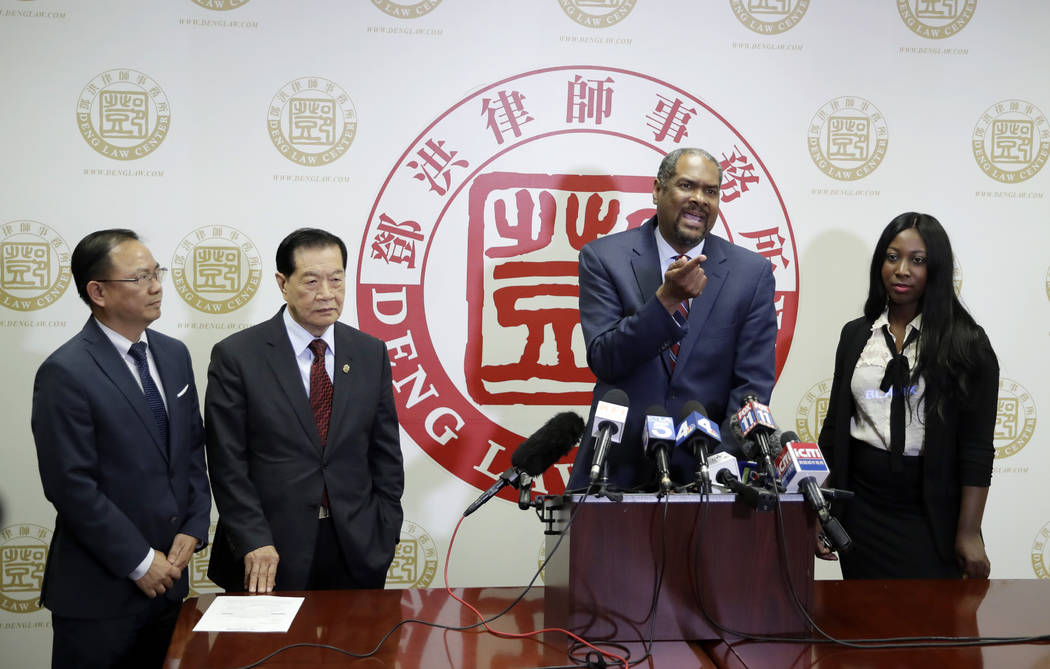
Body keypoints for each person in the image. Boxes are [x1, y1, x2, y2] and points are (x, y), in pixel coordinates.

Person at [32, 229, 210, 668]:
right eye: (140, 277)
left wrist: (194, 525)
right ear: (98, 292)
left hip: (172, 583)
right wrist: (138, 560)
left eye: (157, 273)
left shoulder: (173, 354)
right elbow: (70, 485)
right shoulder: (65, 371)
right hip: (101, 595)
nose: (156, 286)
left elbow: (191, 452)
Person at [567, 148, 778, 491]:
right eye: (686, 186)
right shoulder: (604, 258)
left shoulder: (750, 274)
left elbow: (751, 387)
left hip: (705, 469)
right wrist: (666, 300)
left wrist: (718, 463)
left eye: (710, 191)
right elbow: (606, 359)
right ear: (657, 189)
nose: (699, 199)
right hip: (615, 470)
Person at [205, 228, 404, 593]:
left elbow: (386, 452)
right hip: (268, 550)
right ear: (282, 283)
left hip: (356, 546)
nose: (326, 294)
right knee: (269, 652)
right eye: (311, 281)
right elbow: (226, 464)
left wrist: (385, 529)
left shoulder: (369, 352)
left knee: (358, 648)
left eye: (336, 280)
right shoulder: (238, 356)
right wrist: (252, 539)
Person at [818, 212, 998, 578]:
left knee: (928, 628)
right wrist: (822, 512)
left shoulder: (968, 343)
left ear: (937, 268)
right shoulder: (855, 335)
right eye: (892, 256)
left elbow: (977, 449)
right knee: (863, 625)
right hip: (861, 511)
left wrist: (968, 532)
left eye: (917, 260)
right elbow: (836, 429)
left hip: (930, 513)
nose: (902, 269)